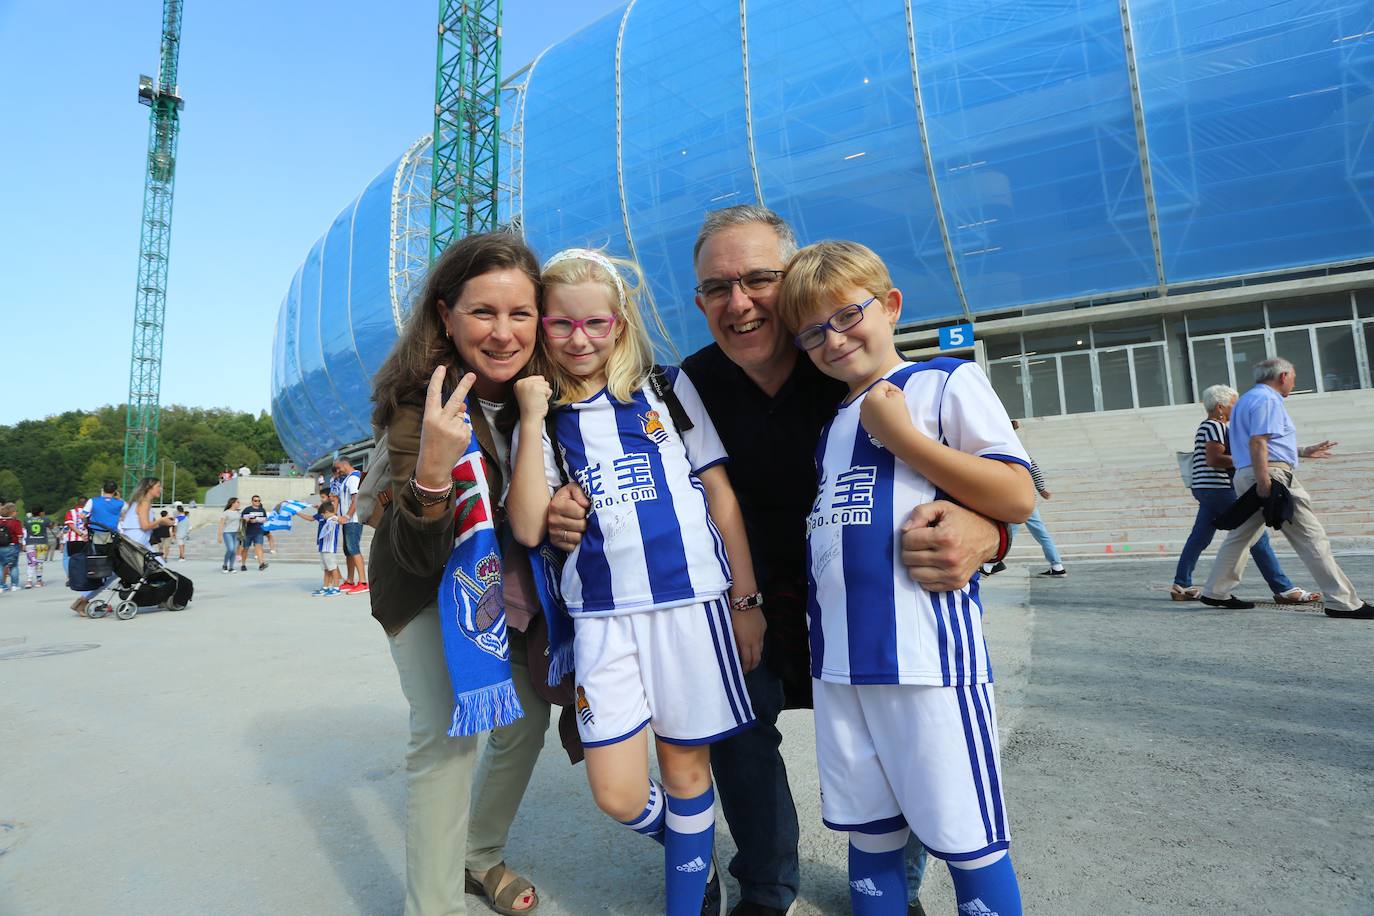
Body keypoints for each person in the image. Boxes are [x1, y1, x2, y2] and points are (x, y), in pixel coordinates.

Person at [551, 205, 1004, 916]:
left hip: (865, 597)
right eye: (716, 288)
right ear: (698, 302)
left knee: (898, 738)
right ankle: (764, 886)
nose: (740, 303)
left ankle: (895, 886)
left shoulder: (856, 363)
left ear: (795, 278)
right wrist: (562, 509)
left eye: (760, 279)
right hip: (745, 596)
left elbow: (994, 473)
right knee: (736, 731)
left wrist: (988, 533)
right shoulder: (680, 387)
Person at [776, 240, 1032, 916]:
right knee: (871, 837)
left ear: (889, 305)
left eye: (847, 315)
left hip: (928, 665)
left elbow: (1016, 496)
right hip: (841, 671)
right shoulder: (831, 422)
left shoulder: (945, 382)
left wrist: (906, 439)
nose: (833, 339)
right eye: (811, 332)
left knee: (969, 842)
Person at [507, 248, 757, 916]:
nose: (579, 338)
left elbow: (720, 495)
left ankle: (691, 894)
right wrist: (530, 417)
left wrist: (747, 599)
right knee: (616, 793)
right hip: (601, 619)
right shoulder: (542, 414)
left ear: (620, 322)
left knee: (685, 770)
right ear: (542, 327)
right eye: (561, 325)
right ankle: (690, 846)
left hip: (691, 604)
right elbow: (530, 525)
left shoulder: (669, 389)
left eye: (596, 323)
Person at [368, 232, 555, 916]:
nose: (504, 334)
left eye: (520, 314)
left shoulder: (548, 391)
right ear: (445, 316)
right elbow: (417, 552)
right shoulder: (423, 401)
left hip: (504, 586)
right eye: (483, 313)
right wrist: (432, 473)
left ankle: (478, 855)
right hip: (423, 584)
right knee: (447, 734)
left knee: (526, 720)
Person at [1201, 357, 1373, 618]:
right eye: (1293, 377)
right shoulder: (1269, 399)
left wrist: (1303, 451)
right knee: (1311, 537)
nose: (1293, 382)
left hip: (1249, 472)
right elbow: (1258, 442)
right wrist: (1265, 483)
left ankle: (1215, 591)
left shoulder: (1246, 400)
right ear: (1283, 376)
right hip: (1270, 475)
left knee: (1241, 536)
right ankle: (1343, 602)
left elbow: (1259, 442)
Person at [1171, 384, 1318, 604]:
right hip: (1219, 488)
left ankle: (1181, 584)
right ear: (1220, 407)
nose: (1237, 409)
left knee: (1200, 537)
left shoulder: (1210, 427)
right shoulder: (1216, 427)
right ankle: (1283, 588)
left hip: (1207, 489)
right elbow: (1214, 460)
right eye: (1234, 404)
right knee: (1257, 537)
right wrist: (1246, 462)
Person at [70, 482, 125, 616]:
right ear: (115, 491)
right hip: (111, 537)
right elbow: (126, 514)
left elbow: (83, 515)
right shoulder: (120, 503)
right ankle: (84, 600)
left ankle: (84, 599)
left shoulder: (93, 501)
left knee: (98, 567)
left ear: (102, 490)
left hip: (96, 537)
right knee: (113, 568)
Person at [119, 478, 177, 554]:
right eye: (158, 486)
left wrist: (162, 523)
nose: (161, 489)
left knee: (157, 563)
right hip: (137, 542)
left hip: (137, 541)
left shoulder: (141, 502)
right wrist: (161, 520)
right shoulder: (144, 503)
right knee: (157, 563)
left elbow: (148, 525)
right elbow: (145, 526)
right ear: (148, 488)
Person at [312, 499, 344, 596]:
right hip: (323, 548)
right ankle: (325, 587)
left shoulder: (333, 519)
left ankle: (336, 587)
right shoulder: (327, 519)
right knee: (326, 568)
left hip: (329, 548)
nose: (323, 517)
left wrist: (335, 517)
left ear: (326, 512)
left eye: (323, 515)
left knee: (332, 568)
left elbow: (340, 521)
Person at [238, 495, 270, 571]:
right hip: (248, 532)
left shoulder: (262, 510)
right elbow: (242, 518)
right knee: (245, 549)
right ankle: (243, 564)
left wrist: (257, 520)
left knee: (259, 548)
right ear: (252, 501)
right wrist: (248, 520)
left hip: (259, 532)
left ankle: (261, 564)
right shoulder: (247, 509)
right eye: (255, 500)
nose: (257, 502)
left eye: (259, 501)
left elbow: (265, 519)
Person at [23, 508, 52, 588]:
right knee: (39, 563)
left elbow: (25, 528)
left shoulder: (26, 520)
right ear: (41, 512)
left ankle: (29, 581)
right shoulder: (45, 519)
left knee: (31, 562)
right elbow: (51, 526)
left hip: (30, 542)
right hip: (42, 543)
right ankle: (39, 581)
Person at [0, 504, 22, 594]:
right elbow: (20, 535)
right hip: (12, 545)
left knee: (1, 566)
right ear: (12, 512)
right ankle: (14, 585)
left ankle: (1, 586)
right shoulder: (15, 522)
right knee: (13, 566)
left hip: (0, 546)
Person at [218, 497, 243, 574]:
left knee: (234, 551)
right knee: (230, 549)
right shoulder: (226, 512)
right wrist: (219, 536)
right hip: (227, 533)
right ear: (233, 503)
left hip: (237, 533)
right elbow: (221, 524)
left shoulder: (239, 512)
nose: (239, 504)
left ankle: (231, 567)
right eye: (237, 502)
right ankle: (225, 565)